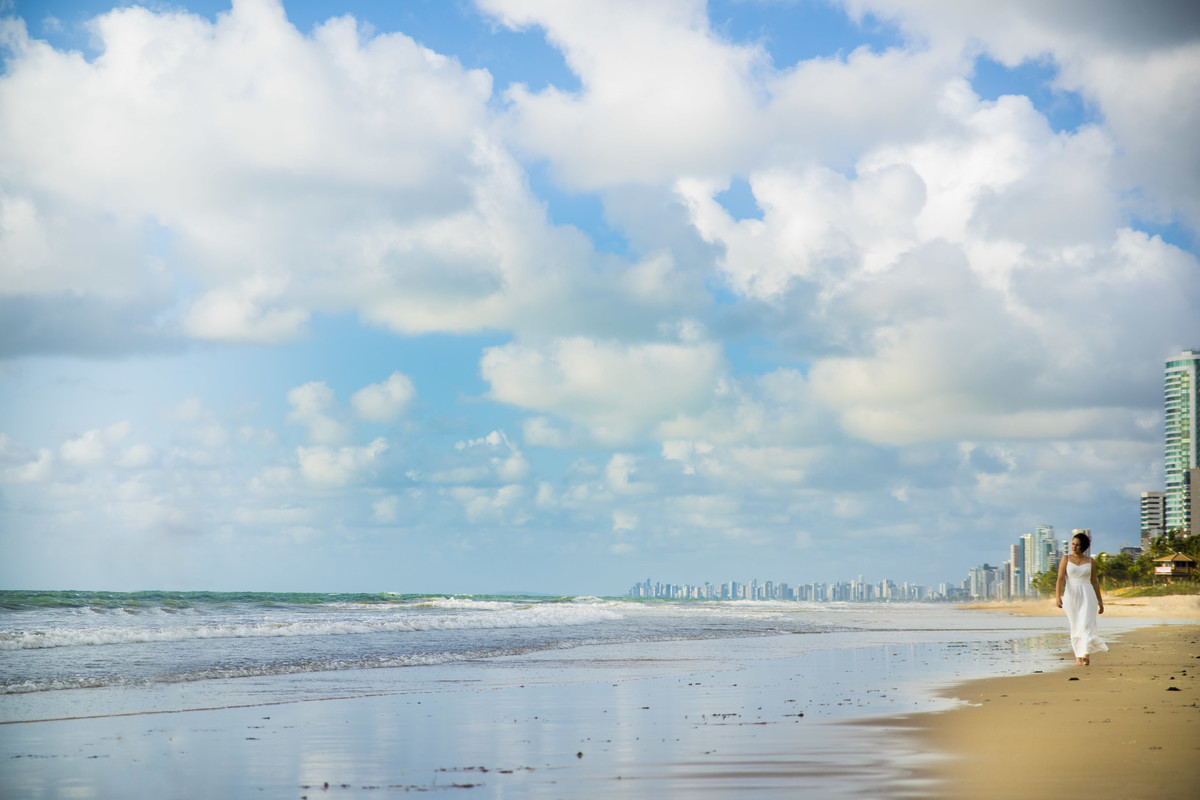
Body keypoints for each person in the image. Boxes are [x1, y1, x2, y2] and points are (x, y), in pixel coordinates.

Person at [1055, 531, 1106, 666]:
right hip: (1071, 596)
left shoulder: (1090, 561)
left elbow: (1094, 581)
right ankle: (1078, 657)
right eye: (1073, 544)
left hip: (1088, 595)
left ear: (1083, 546)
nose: (1074, 547)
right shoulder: (1066, 559)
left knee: (1085, 625)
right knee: (1075, 626)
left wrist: (1100, 602)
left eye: (1077, 545)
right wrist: (1057, 596)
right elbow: (1060, 578)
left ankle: (1086, 653)